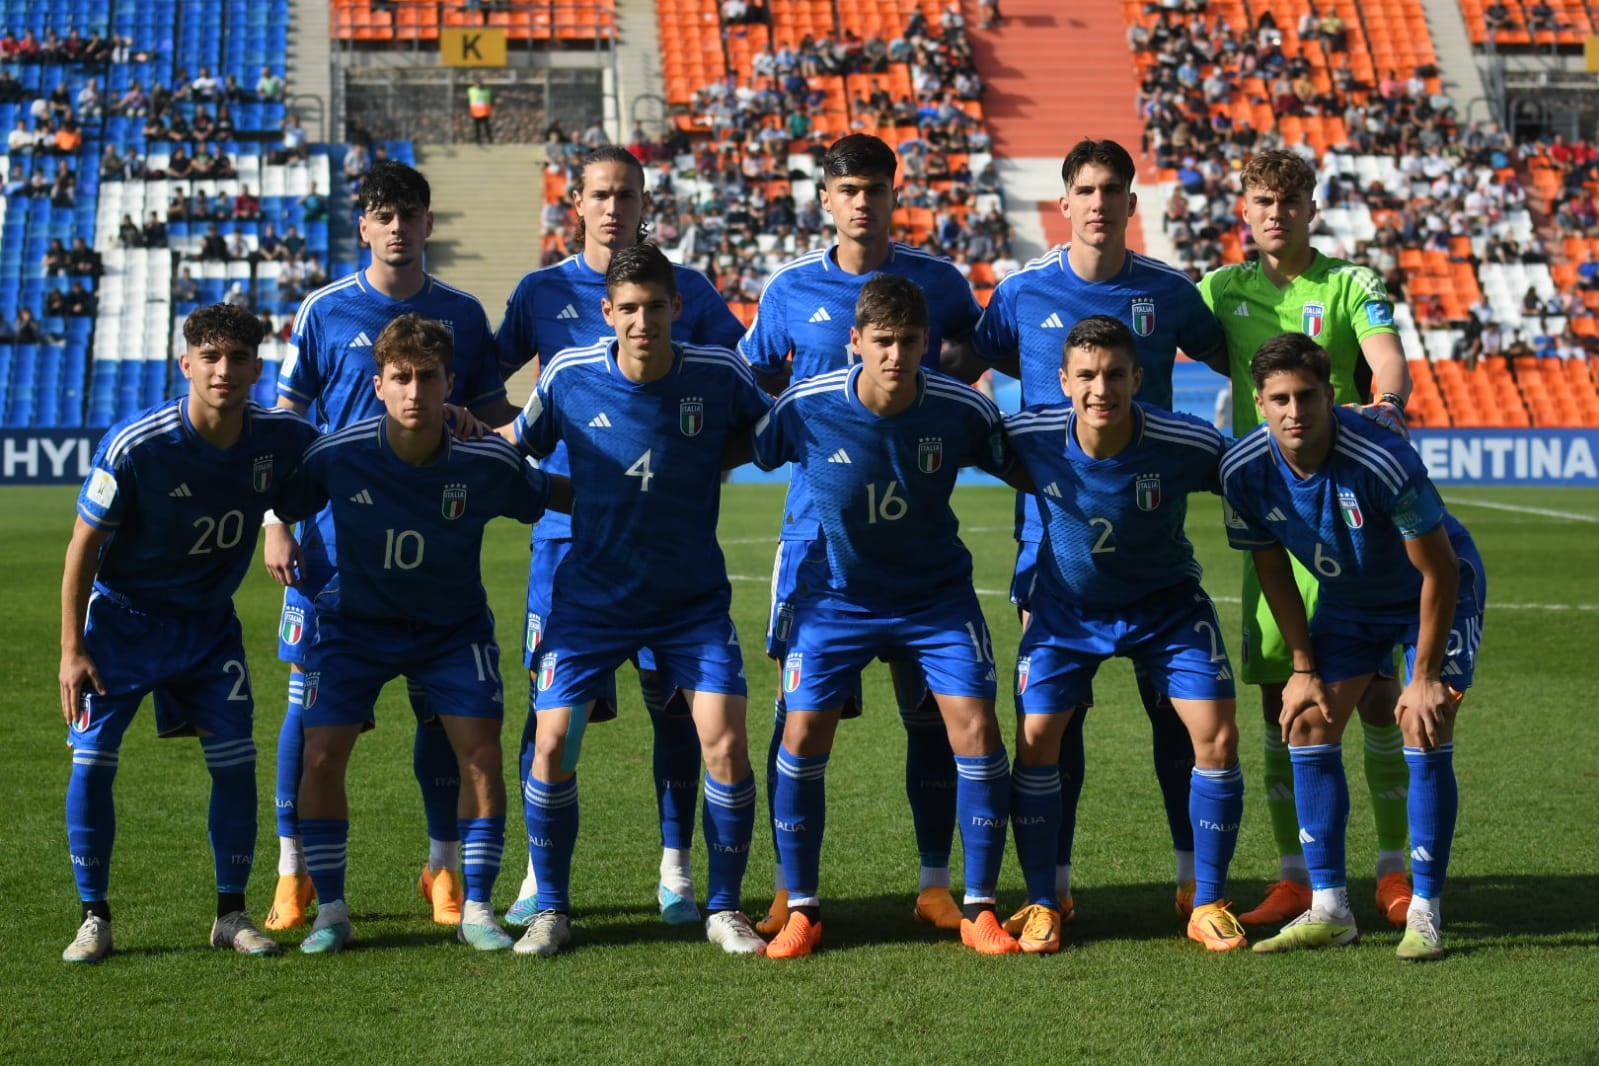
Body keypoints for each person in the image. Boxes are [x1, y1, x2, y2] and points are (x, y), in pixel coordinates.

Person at [968, 137, 1226, 924]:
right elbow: (969, 367)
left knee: (1172, 715)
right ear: (1064, 202)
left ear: (1129, 205)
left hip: (1149, 528)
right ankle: (1057, 884)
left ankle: (1192, 879)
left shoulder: (1170, 292)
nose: (1099, 203)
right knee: (1052, 718)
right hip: (1047, 537)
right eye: (1085, 189)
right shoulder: (1018, 293)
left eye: (1113, 189)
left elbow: (1239, 361)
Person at [737, 133, 987, 938]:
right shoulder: (787, 290)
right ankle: (789, 888)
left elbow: (971, 363)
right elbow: (754, 386)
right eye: (847, 188)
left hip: (915, 540)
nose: (862, 201)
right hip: (816, 546)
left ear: (892, 193)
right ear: (826, 199)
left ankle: (936, 882)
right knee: (797, 716)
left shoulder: (939, 283)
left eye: (875, 188)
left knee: (930, 719)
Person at [262, 160, 518, 933]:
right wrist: (277, 519)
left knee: (443, 717)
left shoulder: (463, 316)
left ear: (428, 224)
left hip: (434, 546)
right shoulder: (324, 310)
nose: (397, 225)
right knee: (307, 717)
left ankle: (443, 867)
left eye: (410, 212)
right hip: (331, 553)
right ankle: (292, 873)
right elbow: (286, 416)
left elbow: (485, 412)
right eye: (382, 213)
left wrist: (519, 432)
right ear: (363, 225)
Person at [495, 145, 747, 930]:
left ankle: (679, 869)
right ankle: (544, 883)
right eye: (600, 193)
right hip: (571, 550)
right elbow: (495, 395)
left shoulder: (693, 292)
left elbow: (736, 398)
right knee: (552, 727)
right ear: (576, 200)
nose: (613, 205)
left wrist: (694, 468)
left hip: (670, 552)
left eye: (626, 193)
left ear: (645, 200)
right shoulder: (542, 295)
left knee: (678, 716)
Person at [274, 314, 564, 955]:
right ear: (377, 384)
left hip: (449, 629)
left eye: (426, 378)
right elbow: (280, 493)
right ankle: (333, 911)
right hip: (351, 627)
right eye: (400, 378)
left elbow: (549, 494)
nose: (414, 391)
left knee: (481, 753)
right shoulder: (338, 454)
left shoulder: (485, 460)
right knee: (321, 755)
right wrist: (275, 524)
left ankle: (479, 906)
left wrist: (637, 495)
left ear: (448, 384)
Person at [748, 274, 1017, 959]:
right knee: (802, 729)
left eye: (907, 342)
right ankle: (801, 906)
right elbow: (747, 447)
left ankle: (978, 906)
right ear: (855, 342)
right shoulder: (805, 406)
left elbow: (1026, 465)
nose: (895, 355)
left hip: (933, 598)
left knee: (976, 728)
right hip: (835, 598)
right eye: (882, 341)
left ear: (926, 344)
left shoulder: (961, 409)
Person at [57, 304, 318, 963]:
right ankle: (95, 917)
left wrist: (281, 519)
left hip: (208, 629)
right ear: (186, 365)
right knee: (92, 764)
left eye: (236, 358)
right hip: (123, 622)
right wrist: (71, 649)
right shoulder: (137, 444)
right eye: (210, 357)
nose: (223, 370)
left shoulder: (280, 436)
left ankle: (231, 914)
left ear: (258, 368)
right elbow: (82, 546)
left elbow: (338, 465)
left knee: (233, 765)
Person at [1197, 148, 1417, 930]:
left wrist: (1385, 403)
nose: (1274, 214)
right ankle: (1296, 876)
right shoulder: (1220, 290)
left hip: (1353, 515)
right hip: (1275, 517)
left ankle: (1393, 871)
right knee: (1279, 701)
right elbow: (1156, 345)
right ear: (1244, 210)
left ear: (1309, 209)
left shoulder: (1350, 282)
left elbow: (1387, 358)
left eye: (1288, 201)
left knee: (1379, 701)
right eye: (1261, 200)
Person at [1220, 333, 1484, 961]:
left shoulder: (1380, 459)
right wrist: (1303, 666)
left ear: (1329, 395)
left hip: (1433, 588)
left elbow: (1439, 572)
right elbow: (1273, 569)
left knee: (1423, 722)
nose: (1294, 411)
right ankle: (1331, 908)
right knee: (1307, 720)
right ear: (1258, 402)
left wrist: (1421, 677)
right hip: (1350, 599)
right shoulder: (1243, 470)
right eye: (1279, 398)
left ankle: (1425, 911)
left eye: (1306, 395)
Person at [1003, 315, 1246, 955]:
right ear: (1064, 381)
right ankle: (1043, 900)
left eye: (1114, 374)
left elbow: (1250, 475)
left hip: (1165, 608)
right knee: (1035, 739)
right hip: (1065, 610)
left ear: (1138, 377)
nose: (1100, 388)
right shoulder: (1027, 435)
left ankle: (1208, 899)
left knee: (1216, 735)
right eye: (1086, 376)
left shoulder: (1184, 441)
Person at [467, 76, 493, 145]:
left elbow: (490, 100)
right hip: (475, 112)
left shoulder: (487, 90)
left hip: (485, 111)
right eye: (477, 83)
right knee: (477, 127)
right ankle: (478, 140)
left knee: (486, 126)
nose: (478, 85)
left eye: (479, 83)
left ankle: (490, 139)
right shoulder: (471, 90)